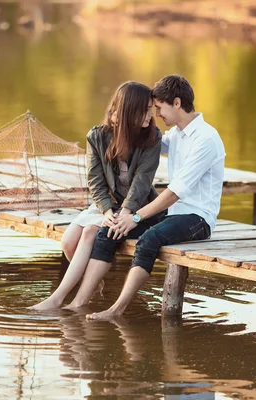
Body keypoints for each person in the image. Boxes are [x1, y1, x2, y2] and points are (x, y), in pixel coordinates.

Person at [63, 74, 226, 319]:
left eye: (159, 108)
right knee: (107, 232)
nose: (157, 115)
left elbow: (174, 194)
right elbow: (137, 139)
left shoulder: (205, 139)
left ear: (177, 103)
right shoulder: (176, 136)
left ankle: (116, 309)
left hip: (197, 218)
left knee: (149, 239)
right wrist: (120, 120)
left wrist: (135, 217)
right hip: (171, 216)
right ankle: (79, 303)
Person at [29, 81, 164, 310]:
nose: (151, 116)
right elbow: (95, 180)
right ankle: (95, 283)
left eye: (152, 109)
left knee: (91, 231)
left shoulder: (152, 138)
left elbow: (142, 182)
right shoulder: (97, 136)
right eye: (146, 110)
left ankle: (58, 298)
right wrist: (107, 210)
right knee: (68, 242)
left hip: (137, 206)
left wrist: (125, 212)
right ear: (128, 110)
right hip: (107, 204)